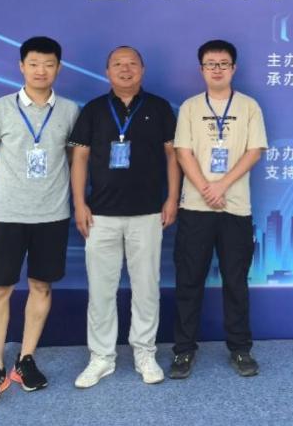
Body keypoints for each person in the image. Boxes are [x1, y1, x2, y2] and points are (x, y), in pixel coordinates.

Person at [0, 36, 80, 406]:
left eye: (48, 64)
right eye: (33, 63)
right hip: (7, 214)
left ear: (58, 68)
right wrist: (9, 182)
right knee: (0, 289)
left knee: (41, 286)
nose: (40, 71)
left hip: (52, 214)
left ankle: (26, 360)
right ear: (22, 66)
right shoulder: (1, 108)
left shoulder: (69, 111)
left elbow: (72, 157)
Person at [69, 46, 179, 387]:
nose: (125, 69)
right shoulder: (93, 110)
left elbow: (172, 156)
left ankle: (145, 352)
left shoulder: (159, 108)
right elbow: (80, 158)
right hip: (100, 215)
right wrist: (79, 204)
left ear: (142, 70)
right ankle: (101, 357)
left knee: (146, 288)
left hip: (148, 214)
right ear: (107, 72)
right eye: (118, 64)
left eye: (132, 63)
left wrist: (172, 198)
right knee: (101, 290)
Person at [170, 39, 267, 379]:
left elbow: (254, 151)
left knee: (236, 282)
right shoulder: (190, 107)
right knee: (189, 281)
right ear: (201, 69)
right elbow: (183, 152)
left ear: (233, 68)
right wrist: (206, 189)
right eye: (210, 64)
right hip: (195, 207)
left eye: (223, 63)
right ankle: (183, 350)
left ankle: (240, 348)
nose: (217, 69)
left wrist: (221, 185)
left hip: (235, 208)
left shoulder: (249, 106)